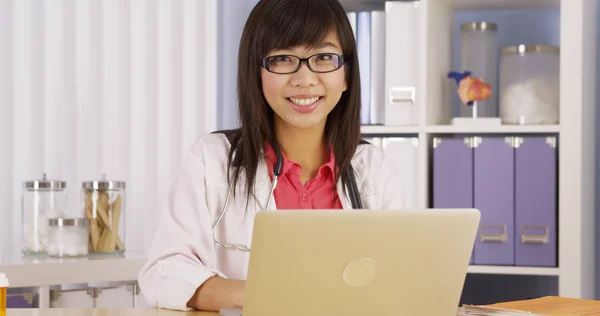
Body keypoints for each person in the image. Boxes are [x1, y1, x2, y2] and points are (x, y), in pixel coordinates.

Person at [138, 0, 406, 312]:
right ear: (257, 73)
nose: (304, 79)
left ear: (346, 75)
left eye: (323, 57)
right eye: (282, 59)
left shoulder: (373, 169)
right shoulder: (212, 160)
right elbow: (163, 274)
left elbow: (400, 280)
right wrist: (263, 293)